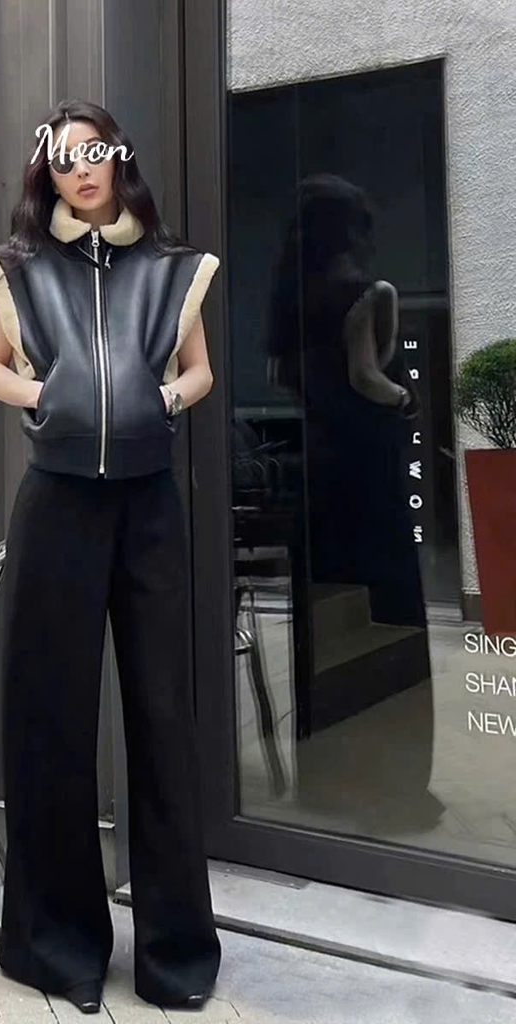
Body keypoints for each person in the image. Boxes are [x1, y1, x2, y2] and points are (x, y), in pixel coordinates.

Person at [0, 99, 221, 1014]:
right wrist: (43, 395)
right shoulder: (20, 268)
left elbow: (198, 370)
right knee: (52, 721)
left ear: (120, 160)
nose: (82, 170)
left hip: (149, 507)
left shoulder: (168, 268)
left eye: (95, 154)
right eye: (64, 160)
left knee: (162, 718)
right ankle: (59, 949)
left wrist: (166, 402)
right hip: (57, 504)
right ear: (48, 174)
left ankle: (176, 957)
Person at [267, 173, 443, 830]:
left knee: (328, 615)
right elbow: (367, 376)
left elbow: (287, 379)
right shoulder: (363, 292)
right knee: (389, 606)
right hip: (368, 467)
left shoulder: (289, 303)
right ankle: (394, 781)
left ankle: (328, 780)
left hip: (320, 471)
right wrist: (406, 398)